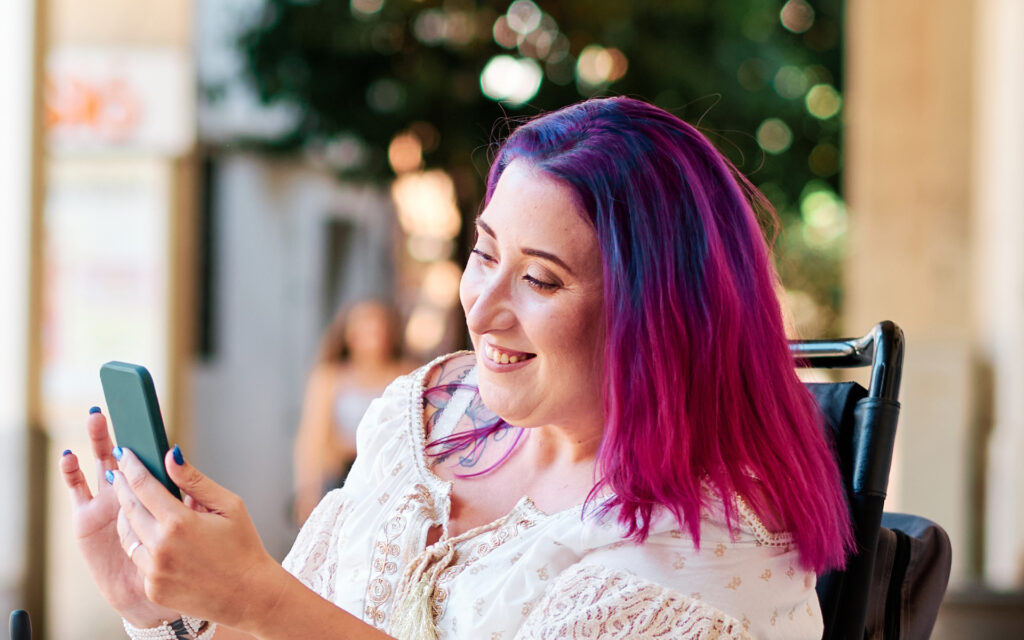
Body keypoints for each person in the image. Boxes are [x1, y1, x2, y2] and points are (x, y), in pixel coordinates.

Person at [61, 97, 852, 640]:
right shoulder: (430, 417)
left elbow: (284, 617)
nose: (483, 307)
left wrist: (256, 594)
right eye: (483, 253)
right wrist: (176, 610)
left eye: (540, 280)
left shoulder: (712, 545)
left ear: (658, 313)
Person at [292, 299, 417, 525]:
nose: (373, 335)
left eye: (378, 327)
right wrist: (307, 491)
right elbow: (312, 439)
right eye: (364, 327)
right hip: (341, 476)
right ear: (348, 333)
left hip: (390, 481)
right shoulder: (330, 377)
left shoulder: (407, 373)